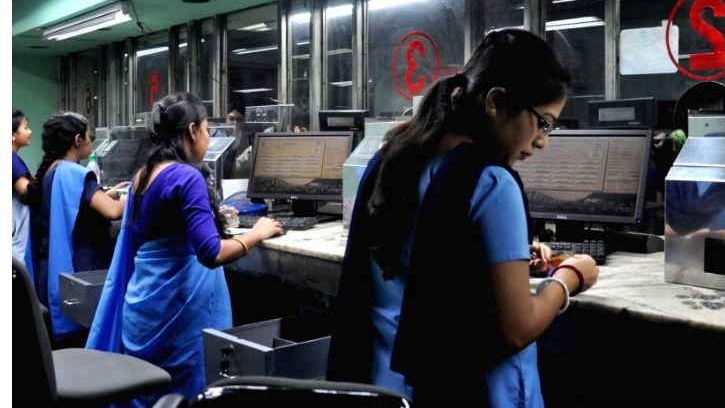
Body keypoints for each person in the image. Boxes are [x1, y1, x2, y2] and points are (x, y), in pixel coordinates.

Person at [327, 29, 599, 406]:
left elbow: (429, 257)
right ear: (496, 102)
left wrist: (511, 256)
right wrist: (570, 277)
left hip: (385, 384)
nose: (543, 141)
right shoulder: (490, 182)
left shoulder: (392, 158)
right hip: (476, 392)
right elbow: (516, 329)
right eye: (544, 122)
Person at [87, 92, 282, 404]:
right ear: (192, 130)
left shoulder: (144, 174)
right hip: (180, 316)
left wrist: (210, 215)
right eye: (206, 129)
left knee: (153, 394)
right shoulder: (186, 176)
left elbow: (162, 222)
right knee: (186, 395)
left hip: (146, 310)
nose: (207, 137)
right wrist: (255, 234)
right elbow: (211, 253)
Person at [24, 112, 127, 341]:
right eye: (90, 137)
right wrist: (137, 196)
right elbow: (112, 211)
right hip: (79, 273)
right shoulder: (75, 172)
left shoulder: (50, 170)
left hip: (47, 272)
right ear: (78, 140)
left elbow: (72, 206)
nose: (91, 142)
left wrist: (102, 195)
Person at [12, 109, 33, 263]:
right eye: (25, 127)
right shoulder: (11, 160)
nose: (30, 131)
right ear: (12, 135)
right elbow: (28, 193)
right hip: (16, 244)